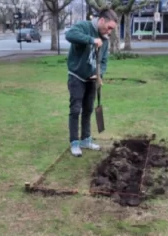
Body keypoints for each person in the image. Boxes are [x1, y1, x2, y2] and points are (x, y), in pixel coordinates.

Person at [65, 8, 118, 157]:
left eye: (112, 29)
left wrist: (100, 75)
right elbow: (69, 35)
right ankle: (74, 142)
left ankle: (86, 139)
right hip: (76, 76)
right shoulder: (84, 26)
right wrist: (91, 40)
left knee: (88, 109)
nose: (110, 31)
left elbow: (104, 60)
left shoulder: (105, 39)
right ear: (102, 20)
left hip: (92, 79)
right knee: (76, 109)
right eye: (109, 27)